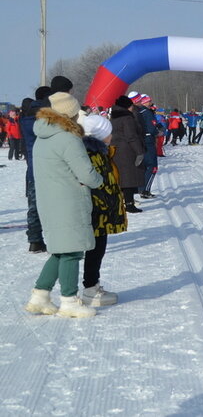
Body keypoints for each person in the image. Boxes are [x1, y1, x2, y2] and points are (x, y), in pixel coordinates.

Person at [24, 92, 102, 318]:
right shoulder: (68, 138)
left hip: (49, 200)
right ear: (70, 114)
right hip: (68, 201)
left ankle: (40, 295)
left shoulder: (43, 136)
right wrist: (99, 180)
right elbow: (86, 173)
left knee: (60, 250)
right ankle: (69, 301)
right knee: (72, 252)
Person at [81, 114, 126, 307]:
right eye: (109, 132)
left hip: (101, 209)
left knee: (98, 249)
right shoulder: (93, 154)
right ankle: (90, 288)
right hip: (97, 210)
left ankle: (93, 285)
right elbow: (98, 183)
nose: (112, 136)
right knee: (95, 249)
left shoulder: (101, 152)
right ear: (100, 135)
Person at [21, 86, 54, 253]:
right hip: (48, 168)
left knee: (34, 206)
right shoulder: (45, 120)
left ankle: (35, 240)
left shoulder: (26, 118)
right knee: (54, 205)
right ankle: (55, 239)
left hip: (33, 168)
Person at [110, 96, 146, 213]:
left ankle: (122, 203)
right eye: (131, 106)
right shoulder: (127, 118)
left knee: (121, 179)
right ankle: (129, 204)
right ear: (127, 106)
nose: (132, 109)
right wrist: (139, 152)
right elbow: (131, 136)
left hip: (116, 150)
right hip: (127, 151)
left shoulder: (114, 117)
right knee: (129, 179)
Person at [135, 95, 160, 199]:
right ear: (145, 102)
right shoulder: (147, 113)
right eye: (149, 101)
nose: (151, 103)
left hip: (141, 141)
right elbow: (151, 128)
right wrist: (158, 132)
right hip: (148, 141)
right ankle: (145, 190)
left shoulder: (138, 112)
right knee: (153, 167)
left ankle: (142, 188)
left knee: (144, 167)